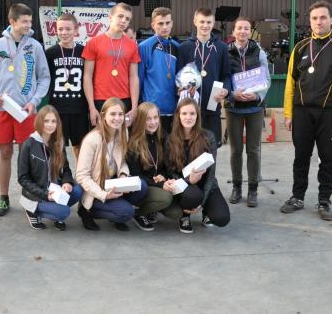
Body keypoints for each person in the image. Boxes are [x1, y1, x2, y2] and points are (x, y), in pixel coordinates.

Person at [281, 0, 332, 221]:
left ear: (331, 20)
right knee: (301, 157)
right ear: (310, 21)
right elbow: (290, 83)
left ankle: (324, 200)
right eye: (314, 18)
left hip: (330, 114)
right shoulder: (300, 47)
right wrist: (288, 113)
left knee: (328, 159)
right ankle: (297, 197)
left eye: (323, 17)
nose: (319, 22)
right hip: (302, 112)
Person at [0, 3, 51, 217]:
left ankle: (31, 197)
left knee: (28, 154)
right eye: (24, 22)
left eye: (30, 21)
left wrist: (34, 102)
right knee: (5, 152)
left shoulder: (35, 46)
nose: (29, 25)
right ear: (12, 21)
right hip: (2, 109)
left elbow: (44, 77)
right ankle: (3, 198)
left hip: (26, 111)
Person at [75, 98, 148, 231]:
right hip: (96, 189)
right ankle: (87, 211)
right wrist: (104, 195)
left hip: (113, 183)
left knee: (141, 186)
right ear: (103, 116)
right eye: (113, 114)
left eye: (120, 114)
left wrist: (123, 175)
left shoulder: (123, 132)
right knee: (126, 213)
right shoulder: (92, 140)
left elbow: (122, 161)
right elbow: (81, 176)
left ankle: (116, 208)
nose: (117, 118)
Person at [164, 98, 230, 233]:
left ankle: (206, 211)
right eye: (184, 113)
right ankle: (185, 215)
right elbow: (170, 171)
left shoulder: (208, 137)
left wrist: (202, 203)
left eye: (192, 113)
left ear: (197, 116)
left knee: (222, 218)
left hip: (206, 184)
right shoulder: (170, 139)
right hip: (183, 185)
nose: (188, 117)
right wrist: (189, 180)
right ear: (178, 116)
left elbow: (211, 175)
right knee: (193, 196)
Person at [225, 16, 270, 207]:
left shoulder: (259, 52)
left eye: (246, 28)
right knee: (236, 150)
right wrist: (231, 94)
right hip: (234, 108)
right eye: (239, 28)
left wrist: (257, 95)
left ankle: (253, 190)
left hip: (254, 108)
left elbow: (266, 79)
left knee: (253, 150)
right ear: (233, 31)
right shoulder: (225, 52)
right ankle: (237, 188)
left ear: (250, 32)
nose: (242, 31)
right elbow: (223, 77)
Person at [17, 105, 83, 230]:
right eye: (46, 121)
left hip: (55, 191)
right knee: (64, 212)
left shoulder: (59, 142)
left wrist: (67, 182)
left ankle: (55, 209)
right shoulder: (29, 144)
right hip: (37, 195)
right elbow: (22, 178)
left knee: (78, 191)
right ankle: (32, 210)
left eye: (53, 121)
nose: (50, 125)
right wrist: (46, 194)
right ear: (39, 122)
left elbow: (66, 169)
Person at [176, 7, 231, 146]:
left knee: (211, 147)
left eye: (208, 22)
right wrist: (180, 89)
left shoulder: (222, 48)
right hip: (189, 109)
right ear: (195, 22)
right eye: (202, 22)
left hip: (212, 106)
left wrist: (225, 89)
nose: (205, 25)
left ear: (213, 23)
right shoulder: (184, 47)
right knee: (189, 146)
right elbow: (178, 76)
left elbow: (226, 75)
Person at [83, 2, 141, 127]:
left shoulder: (132, 45)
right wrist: (91, 106)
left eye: (127, 19)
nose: (123, 21)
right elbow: (87, 76)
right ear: (110, 17)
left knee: (123, 138)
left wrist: (134, 107)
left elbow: (134, 77)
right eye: (120, 16)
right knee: (100, 138)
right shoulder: (93, 43)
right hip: (100, 100)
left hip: (124, 100)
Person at [45, 13, 89, 159]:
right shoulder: (50, 53)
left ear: (76, 30)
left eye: (68, 29)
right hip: (58, 108)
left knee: (80, 146)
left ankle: (81, 172)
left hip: (79, 108)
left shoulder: (84, 51)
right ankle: (61, 173)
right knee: (58, 146)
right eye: (60, 29)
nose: (64, 33)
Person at [127, 102, 173, 231]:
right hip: (142, 187)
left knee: (175, 213)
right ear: (140, 121)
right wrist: (160, 184)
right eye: (148, 119)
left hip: (157, 182)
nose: (153, 122)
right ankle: (138, 212)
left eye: (155, 117)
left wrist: (163, 175)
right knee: (165, 198)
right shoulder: (133, 143)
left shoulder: (163, 137)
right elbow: (136, 175)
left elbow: (168, 165)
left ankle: (152, 209)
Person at [138, 7, 180, 132]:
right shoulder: (144, 47)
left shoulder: (177, 47)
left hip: (173, 109)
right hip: (152, 111)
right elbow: (139, 79)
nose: (164, 27)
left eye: (167, 23)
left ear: (172, 23)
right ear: (153, 25)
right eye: (160, 23)